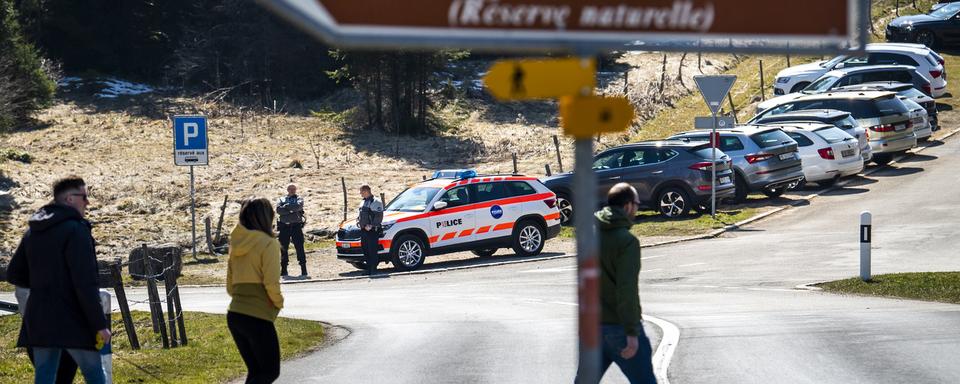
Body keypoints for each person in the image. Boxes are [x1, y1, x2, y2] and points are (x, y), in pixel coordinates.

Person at [6, 176, 110, 384]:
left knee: (45, 376)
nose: (87, 203)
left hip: (40, 318)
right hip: (72, 319)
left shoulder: (33, 231)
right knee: (94, 374)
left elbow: (14, 273)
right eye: (84, 197)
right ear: (70, 199)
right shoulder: (76, 230)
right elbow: (85, 283)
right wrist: (100, 324)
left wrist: (42, 284)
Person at [593, 183, 657, 383]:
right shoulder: (627, 241)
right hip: (618, 327)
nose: (637, 209)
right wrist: (631, 332)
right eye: (637, 204)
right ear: (628, 206)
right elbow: (626, 289)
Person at [227, 198, 284, 384]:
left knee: (256, 371)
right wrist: (278, 303)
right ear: (267, 217)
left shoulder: (236, 243)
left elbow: (230, 285)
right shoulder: (269, 244)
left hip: (235, 314)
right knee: (269, 372)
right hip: (257, 316)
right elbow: (271, 283)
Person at [276, 184, 307, 278]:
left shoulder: (299, 198)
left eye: (294, 189)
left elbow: (298, 207)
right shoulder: (281, 199)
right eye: (290, 189)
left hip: (296, 227)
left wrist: (286, 208)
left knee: (299, 248)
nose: (292, 190)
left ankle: (303, 269)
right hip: (284, 227)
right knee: (283, 248)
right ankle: (284, 270)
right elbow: (279, 210)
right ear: (287, 189)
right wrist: (291, 210)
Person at [357, 185, 383, 276]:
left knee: (372, 250)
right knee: (366, 250)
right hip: (364, 230)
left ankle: (373, 269)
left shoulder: (375, 201)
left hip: (372, 230)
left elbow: (379, 216)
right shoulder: (363, 202)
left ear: (366, 191)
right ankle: (368, 269)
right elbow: (360, 215)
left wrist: (372, 226)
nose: (360, 194)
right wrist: (358, 222)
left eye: (361, 192)